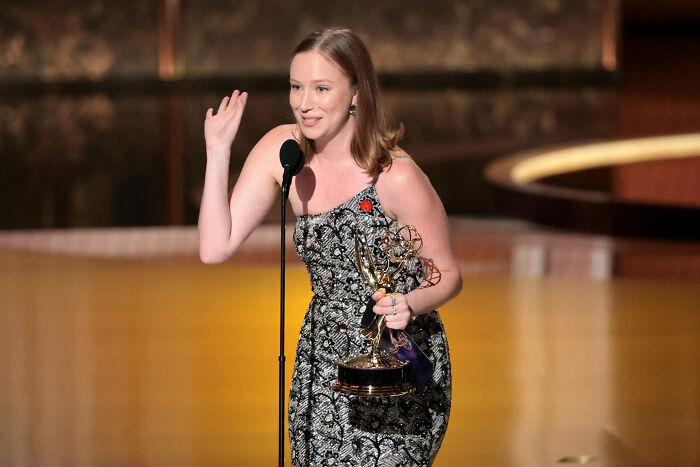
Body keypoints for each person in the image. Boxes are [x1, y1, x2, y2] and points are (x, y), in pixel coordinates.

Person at [198, 27, 462, 466]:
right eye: (296, 87)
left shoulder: (395, 176)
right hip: (323, 360)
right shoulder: (283, 151)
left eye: (321, 88)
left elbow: (448, 275)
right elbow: (214, 247)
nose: (305, 103)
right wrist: (217, 151)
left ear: (357, 92)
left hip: (396, 361)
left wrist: (410, 303)